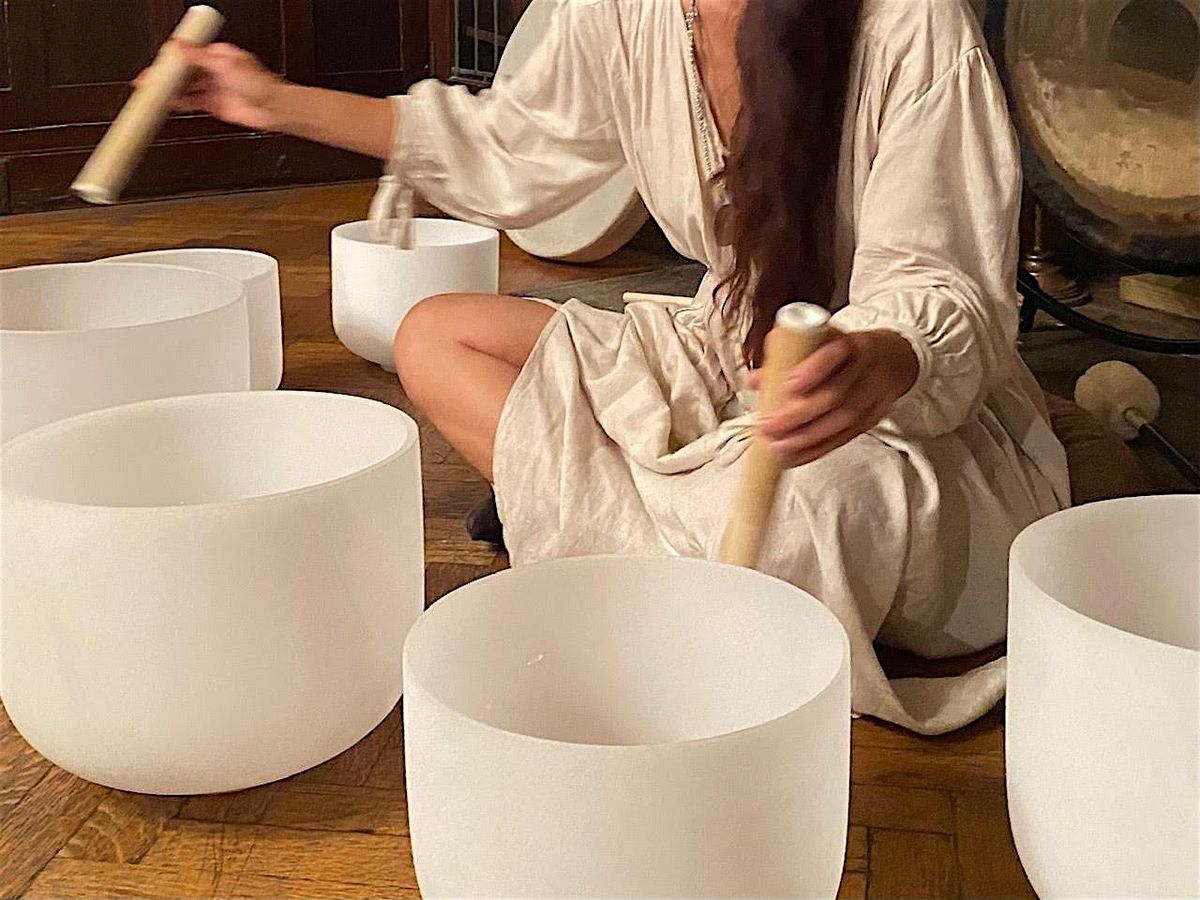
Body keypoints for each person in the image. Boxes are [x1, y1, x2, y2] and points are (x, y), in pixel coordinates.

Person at [165, 0, 1070, 734]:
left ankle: (606, 533)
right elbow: (509, 147)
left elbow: (944, 286)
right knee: (436, 335)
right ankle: (674, 555)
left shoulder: (913, 23)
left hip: (883, 417)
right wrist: (273, 100)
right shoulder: (625, 10)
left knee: (809, 509)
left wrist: (879, 359)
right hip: (727, 344)